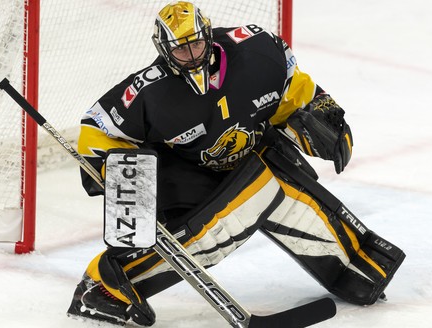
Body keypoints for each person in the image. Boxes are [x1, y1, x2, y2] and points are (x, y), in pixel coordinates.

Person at [67, 1, 405, 326]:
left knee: (290, 194)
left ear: (208, 34)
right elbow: (96, 130)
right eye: (180, 50)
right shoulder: (149, 92)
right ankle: (104, 285)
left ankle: (352, 267)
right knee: (225, 223)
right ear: (163, 50)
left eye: (196, 45)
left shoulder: (258, 52)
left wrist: (325, 114)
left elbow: (295, 91)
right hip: (186, 176)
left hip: (253, 154)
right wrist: (117, 173)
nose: (191, 55)